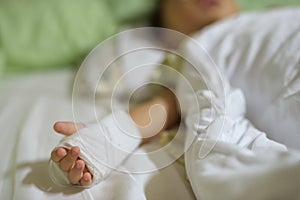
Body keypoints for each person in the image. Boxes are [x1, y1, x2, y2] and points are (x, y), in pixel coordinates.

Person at [50, 1, 300, 198]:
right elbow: (163, 110)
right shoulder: (193, 52)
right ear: (166, 26)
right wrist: (104, 139)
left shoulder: (274, 17)